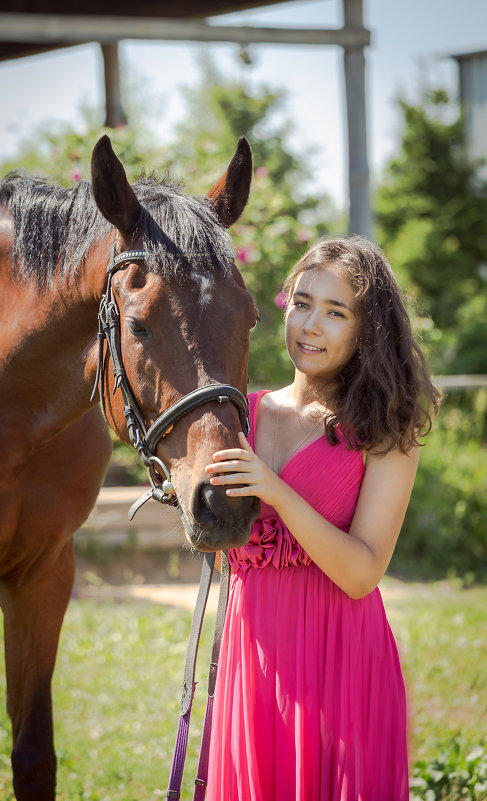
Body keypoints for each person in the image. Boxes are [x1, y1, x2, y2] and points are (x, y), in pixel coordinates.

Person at [204, 236, 440, 801]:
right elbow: (222, 550)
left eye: (337, 312)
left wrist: (278, 493)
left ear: (367, 330)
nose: (311, 325)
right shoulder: (241, 412)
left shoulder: (386, 431)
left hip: (341, 664)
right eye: (303, 302)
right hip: (253, 662)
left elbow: (362, 573)